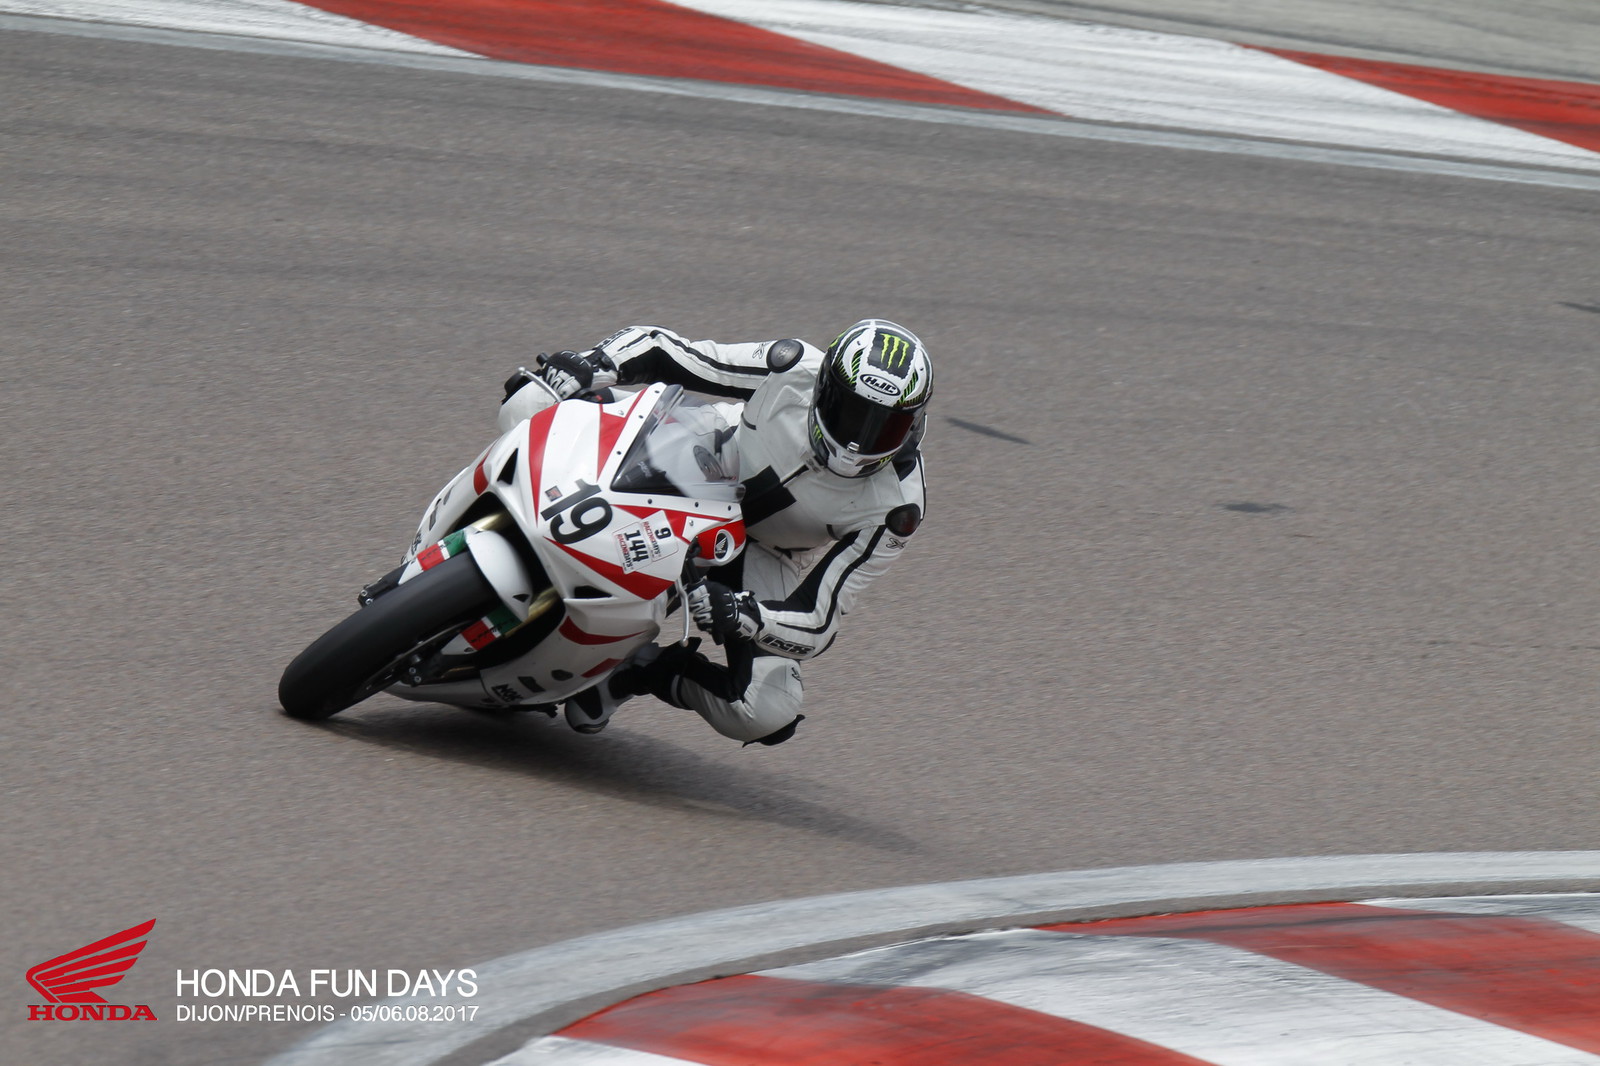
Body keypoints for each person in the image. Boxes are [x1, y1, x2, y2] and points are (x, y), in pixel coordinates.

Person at [500, 320, 931, 746]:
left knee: (766, 709)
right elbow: (673, 352)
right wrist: (596, 363)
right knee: (533, 400)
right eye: (850, 413)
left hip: (765, 551)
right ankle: (489, 506)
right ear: (823, 386)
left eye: (884, 426)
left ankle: (641, 671)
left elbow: (819, 619)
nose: (859, 439)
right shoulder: (792, 368)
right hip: (699, 457)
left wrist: (748, 615)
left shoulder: (899, 507)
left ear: (912, 423)